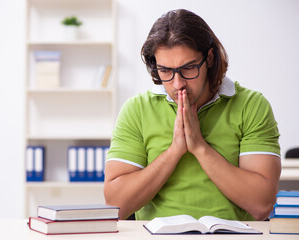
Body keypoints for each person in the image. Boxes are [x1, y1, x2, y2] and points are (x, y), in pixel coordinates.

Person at [104, 9, 281, 221]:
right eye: (166, 71)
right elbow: (116, 206)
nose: (178, 84)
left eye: (188, 68)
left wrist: (199, 147)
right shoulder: (136, 110)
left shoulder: (251, 106)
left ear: (209, 58)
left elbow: (261, 205)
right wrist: (174, 151)